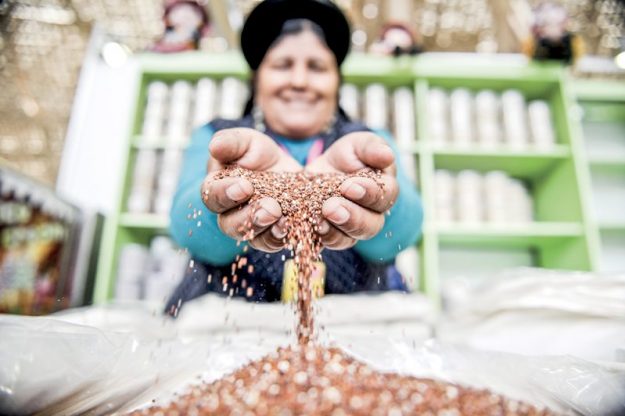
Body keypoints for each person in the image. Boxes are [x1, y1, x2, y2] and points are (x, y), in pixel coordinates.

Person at [166, 0, 423, 315]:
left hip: (350, 327)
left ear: (337, 81)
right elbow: (187, 230)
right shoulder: (220, 138)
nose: (299, 81)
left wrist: (377, 196)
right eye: (282, 65)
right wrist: (226, 190)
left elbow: (403, 235)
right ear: (257, 78)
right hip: (230, 325)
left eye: (317, 67)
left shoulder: (366, 144)